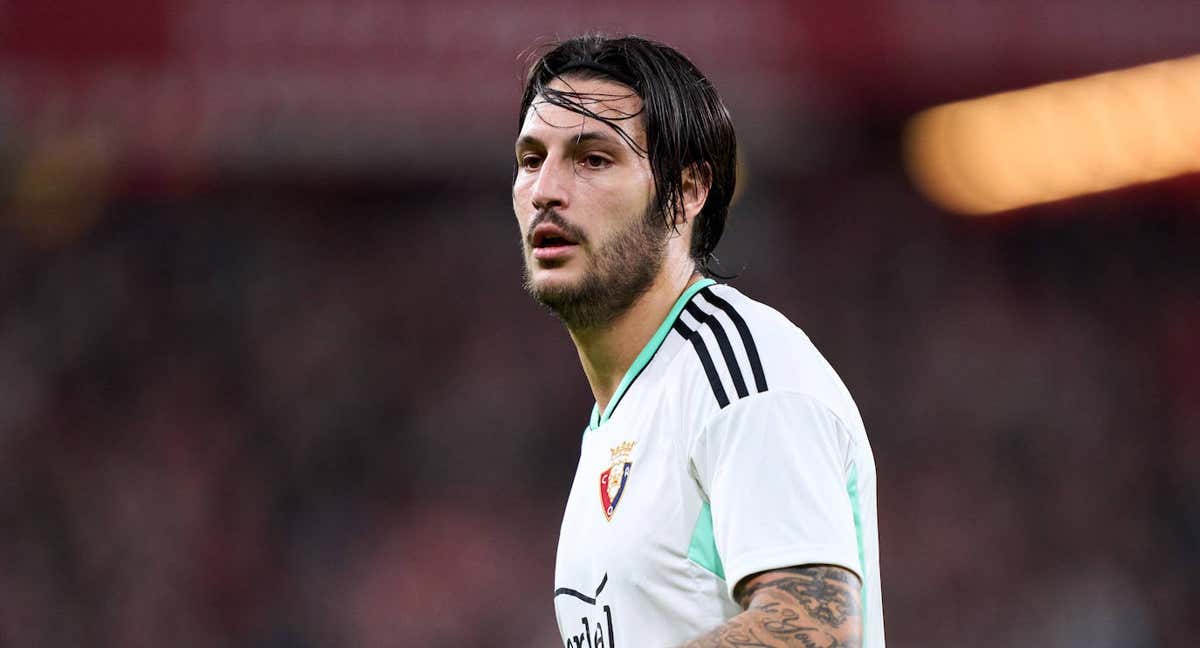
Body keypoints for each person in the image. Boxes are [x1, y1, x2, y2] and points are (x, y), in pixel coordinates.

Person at [512, 34, 884, 648]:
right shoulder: (624, 412)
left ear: (687, 192)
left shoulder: (742, 374)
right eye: (531, 159)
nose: (546, 189)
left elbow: (816, 628)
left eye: (593, 159)